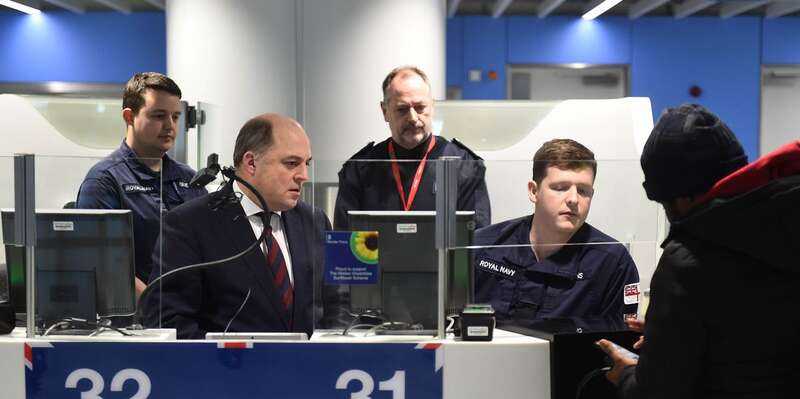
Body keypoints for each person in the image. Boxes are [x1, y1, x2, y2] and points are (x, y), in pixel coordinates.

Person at [598, 104, 800, 399]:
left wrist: (628, 373)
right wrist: (674, 335)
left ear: (682, 197)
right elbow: (759, 329)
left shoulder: (689, 258)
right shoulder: (785, 221)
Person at [141, 113, 344, 339]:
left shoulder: (315, 221)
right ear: (251, 163)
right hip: (228, 369)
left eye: (306, 164)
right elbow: (169, 321)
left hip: (310, 369)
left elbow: (337, 305)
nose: (303, 176)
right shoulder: (188, 224)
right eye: (291, 163)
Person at [474, 139, 639, 330]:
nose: (573, 199)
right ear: (534, 191)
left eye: (583, 191)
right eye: (560, 188)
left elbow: (619, 345)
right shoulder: (482, 246)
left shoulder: (612, 263)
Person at [76, 72, 206, 298]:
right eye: (158, 116)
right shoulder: (104, 181)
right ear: (129, 116)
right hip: (138, 321)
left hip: (192, 315)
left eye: (175, 117)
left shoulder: (190, 179)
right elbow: (103, 261)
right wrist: (155, 306)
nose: (170, 126)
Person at [334, 65, 491, 230]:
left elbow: (478, 240)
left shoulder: (464, 165)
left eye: (420, 107)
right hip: (378, 256)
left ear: (432, 106)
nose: (413, 118)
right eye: (402, 109)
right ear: (385, 111)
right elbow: (345, 243)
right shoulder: (360, 169)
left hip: (443, 256)